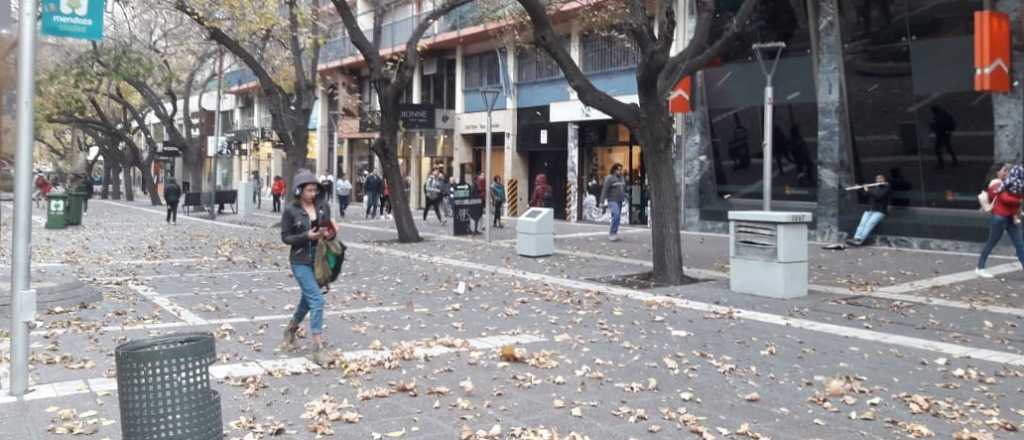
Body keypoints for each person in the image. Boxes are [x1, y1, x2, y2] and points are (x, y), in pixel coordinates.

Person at [280, 169, 338, 364]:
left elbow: (329, 231)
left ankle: (291, 330)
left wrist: (330, 232)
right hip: (300, 260)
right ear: (299, 191)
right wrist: (306, 236)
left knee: (307, 300)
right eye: (309, 190)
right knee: (317, 301)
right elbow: (286, 238)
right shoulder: (291, 210)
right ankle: (318, 347)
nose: (313, 194)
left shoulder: (322, 206)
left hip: (319, 259)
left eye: (315, 190)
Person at [976, 164, 1024, 278]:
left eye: (1008, 171)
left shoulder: (1012, 184)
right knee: (992, 242)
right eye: (1004, 170)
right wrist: (1019, 200)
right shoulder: (996, 184)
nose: (1006, 173)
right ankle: (980, 267)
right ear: (998, 172)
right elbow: (1004, 198)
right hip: (1000, 217)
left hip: (1011, 218)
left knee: (1020, 245)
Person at [846, 174, 891, 246]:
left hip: (880, 211)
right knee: (862, 224)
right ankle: (856, 238)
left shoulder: (887, 188)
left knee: (869, 224)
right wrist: (860, 188)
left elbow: (878, 196)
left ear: (885, 179)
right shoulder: (874, 187)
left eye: (881, 178)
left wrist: (867, 189)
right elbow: (865, 194)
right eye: (877, 178)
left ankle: (860, 241)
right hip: (869, 210)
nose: (879, 180)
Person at [600, 164, 627, 241]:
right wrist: (602, 201)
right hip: (612, 200)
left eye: (621, 169)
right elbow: (605, 189)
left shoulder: (622, 178)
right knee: (616, 215)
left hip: (620, 200)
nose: (620, 171)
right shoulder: (609, 178)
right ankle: (612, 233)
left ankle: (614, 233)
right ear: (614, 170)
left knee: (617, 218)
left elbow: (622, 189)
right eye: (618, 169)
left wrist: (625, 196)